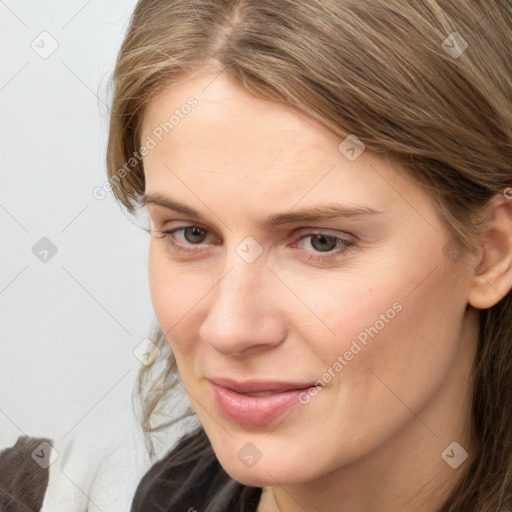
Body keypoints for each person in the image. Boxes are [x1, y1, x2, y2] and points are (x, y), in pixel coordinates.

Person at [104, 1, 512, 511]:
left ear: (490, 254)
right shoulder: (170, 497)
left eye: (322, 241)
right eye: (190, 234)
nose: (229, 329)